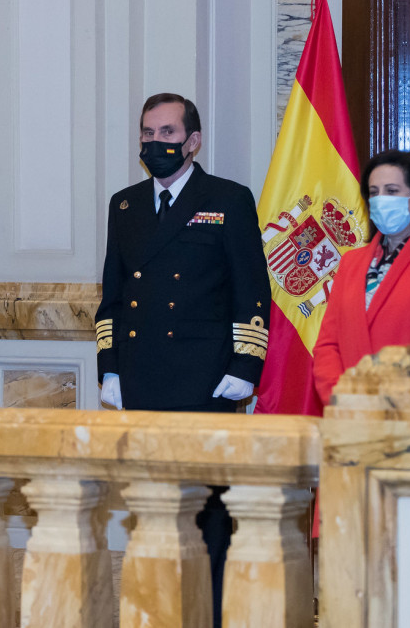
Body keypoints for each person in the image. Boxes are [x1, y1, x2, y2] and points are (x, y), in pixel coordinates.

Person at [95, 93, 271, 627]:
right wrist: (110, 367)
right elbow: (113, 293)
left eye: (168, 133)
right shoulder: (124, 205)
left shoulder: (228, 198)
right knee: (152, 506)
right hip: (143, 377)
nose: (156, 143)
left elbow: (251, 291)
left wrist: (245, 369)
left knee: (208, 511)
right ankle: (155, 611)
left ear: (193, 141)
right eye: (148, 133)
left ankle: (210, 612)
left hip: (207, 382)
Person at [313, 149, 410, 404]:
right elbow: (328, 345)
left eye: (392, 191)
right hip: (349, 411)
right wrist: (341, 396)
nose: (381, 199)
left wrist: (388, 401)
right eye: (374, 193)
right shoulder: (351, 262)